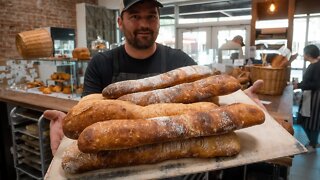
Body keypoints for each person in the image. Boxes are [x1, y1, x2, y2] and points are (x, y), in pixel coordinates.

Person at [44, 0, 264, 156]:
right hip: (121, 158)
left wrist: (241, 101)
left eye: (151, 16)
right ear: (120, 22)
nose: (144, 24)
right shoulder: (101, 63)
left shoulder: (181, 61)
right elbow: (89, 110)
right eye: (135, 16)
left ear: (159, 20)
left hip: (181, 164)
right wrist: (66, 122)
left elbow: (210, 107)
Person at [294, 44, 320, 151]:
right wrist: (299, 85)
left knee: (312, 121)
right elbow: (309, 82)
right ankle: (313, 141)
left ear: (308, 54)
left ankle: (313, 144)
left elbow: (315, 84)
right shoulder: (314, 64)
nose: (303, 55)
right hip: (310, 95)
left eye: (304, 53)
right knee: (306, 120)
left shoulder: (316, 66)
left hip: (315, 97)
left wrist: (299, 85)